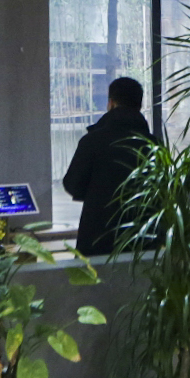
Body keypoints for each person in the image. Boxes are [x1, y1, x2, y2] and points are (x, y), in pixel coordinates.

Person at [61, 77, 154, 255]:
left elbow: (72, 184)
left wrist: (97, 193)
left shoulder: (92, 141)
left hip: (97, 238)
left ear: (111, 103)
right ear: (140, 105)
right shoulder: (154, 144)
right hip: (142, 240)